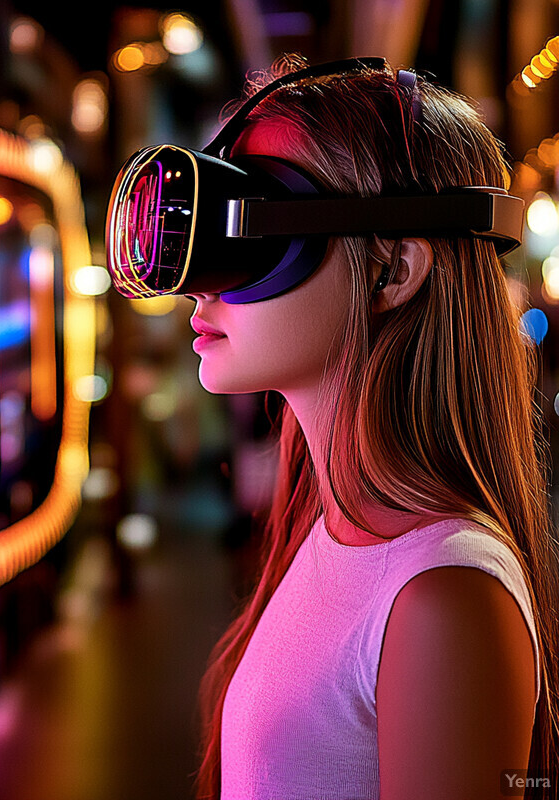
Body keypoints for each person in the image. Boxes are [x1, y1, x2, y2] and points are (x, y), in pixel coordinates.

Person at [185, 54, 559, 800]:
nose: (203, 281)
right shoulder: (330, 530)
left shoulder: (445, 601)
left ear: (392, 271)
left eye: (251, 230)